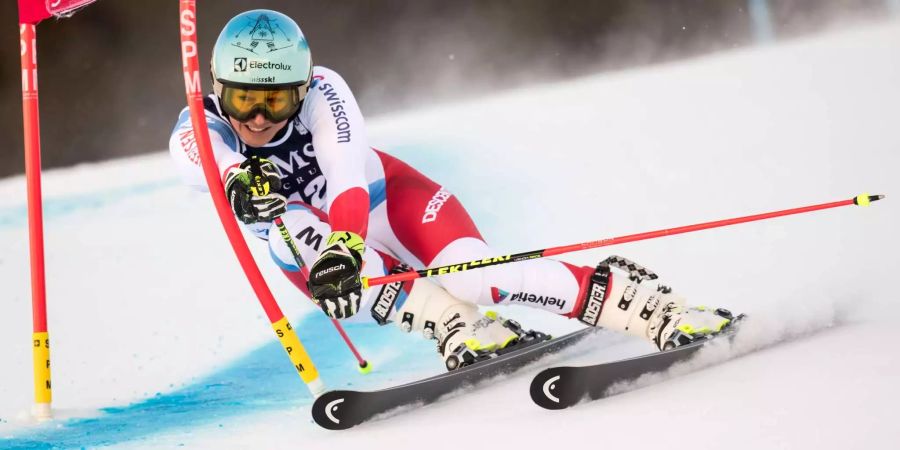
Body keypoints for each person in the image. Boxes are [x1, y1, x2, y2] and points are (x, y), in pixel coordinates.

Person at [169, 9, 737, 370]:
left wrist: (346, 244)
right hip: (318, 256)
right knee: (289, 229)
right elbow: (198, 158)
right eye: (246, 100)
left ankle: (643, 305)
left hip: (385, 200)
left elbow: (346, 177)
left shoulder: (324, 89)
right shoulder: (202, 123)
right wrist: (235, 178)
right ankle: (453, 323)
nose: (262, 119)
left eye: (277, 100)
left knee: (479, 277)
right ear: (220, 90)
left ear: (301, 87)